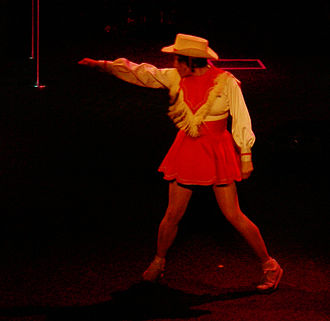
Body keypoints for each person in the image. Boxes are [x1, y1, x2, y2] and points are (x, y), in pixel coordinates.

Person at [78, 33, 283, 293]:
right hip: (187, 148)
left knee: (233, 214)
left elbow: (241, 118)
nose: (174, 64)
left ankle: (270, 265)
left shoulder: (226, 83)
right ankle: (158, 261)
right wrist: (103, 65)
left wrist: (245, 156)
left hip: (216, 150)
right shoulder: (177, 77)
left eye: (178, 59)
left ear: (191, 61)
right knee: (173, 213)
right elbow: (144, 73)